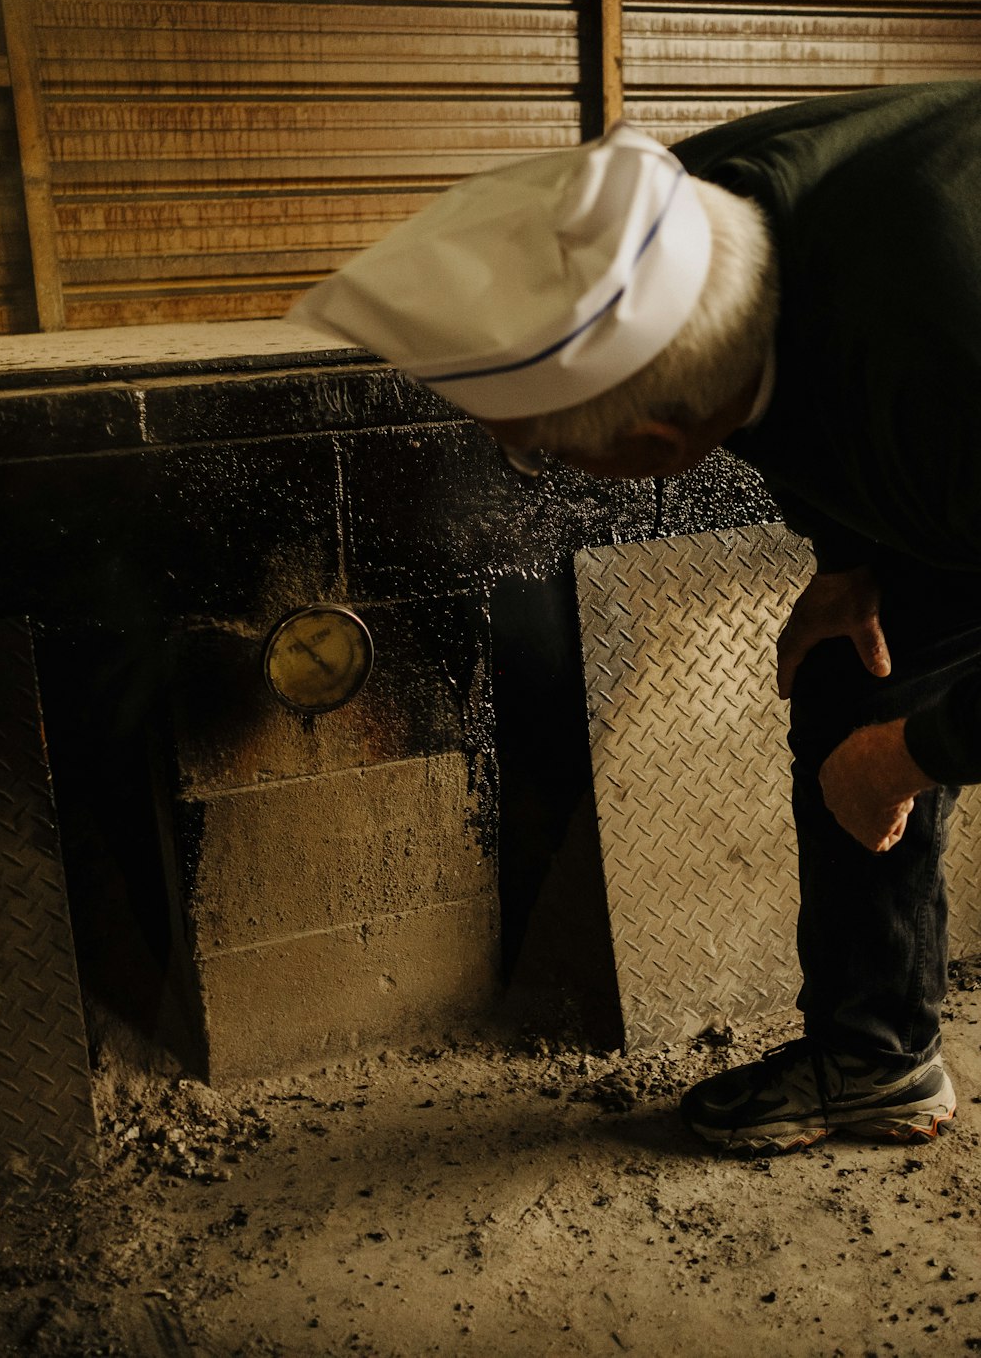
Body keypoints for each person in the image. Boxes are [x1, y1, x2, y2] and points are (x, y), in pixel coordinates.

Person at [288, 79, 981, 1152]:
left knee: (889, 742)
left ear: (655, 449)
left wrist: (918, 753)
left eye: (535, 449)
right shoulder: (683, 211)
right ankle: (874, 1060)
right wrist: (847, 558)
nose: (519, 463)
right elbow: (774, 392)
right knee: (853, 680)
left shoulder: (941, 378)